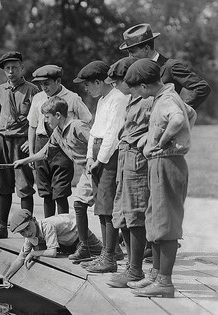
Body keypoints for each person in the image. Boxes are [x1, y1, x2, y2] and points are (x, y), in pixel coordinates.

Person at [123, 59, 196, 298]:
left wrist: (163, 141)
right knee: (155, 219)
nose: (133, 93)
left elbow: (177, 119)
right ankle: (155, 275)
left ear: (144, 86)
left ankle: (165, 282)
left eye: (134, 89)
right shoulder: (164, 97)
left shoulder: (166, 99)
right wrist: (150, 139)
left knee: (166, 224)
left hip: (168, 163)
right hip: (160, 163)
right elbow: (190, 114)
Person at [16, 95, 102, 263]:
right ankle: (85, 246)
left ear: (57, 115)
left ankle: (111, 249)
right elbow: (45, 152)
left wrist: (96, 162)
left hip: (99, 169)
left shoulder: (77, 126)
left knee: (106, 210)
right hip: (87, 172)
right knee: (79, 204)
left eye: (47, 117)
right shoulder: (57, 132)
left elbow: (95, 142)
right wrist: (24, 161)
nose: (46, 121)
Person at [73, 61, 129, 273]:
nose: (86, 89)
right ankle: (108, 253)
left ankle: (109, 257)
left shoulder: (118, 99)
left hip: (108, 157)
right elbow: (94, 132)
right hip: (97, 156)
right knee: (100, 207)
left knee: (107, 207)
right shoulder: (103, 99)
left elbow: (113, 134)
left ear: (98, 81)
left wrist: (100, 160)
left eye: (88, 85)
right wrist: (89, 158)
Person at [102, 56, 153, 288]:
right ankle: (131, 268)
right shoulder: (132, 99)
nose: (114, 87)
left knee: (135, 217)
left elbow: (177, 119)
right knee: (121, 214)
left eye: (117, 83)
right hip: (125, 159)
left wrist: (144, 141)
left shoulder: (147, 101)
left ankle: (135, 271)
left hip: (137, 161)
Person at [0, 51, 39, 239]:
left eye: (14, 67)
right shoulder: (0, 90)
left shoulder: (32, 90)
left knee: (24, 188)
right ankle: (1, 227)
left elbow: (38, 121)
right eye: (7, 68)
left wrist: (30, 144)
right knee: (3, 185)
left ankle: (29, 231)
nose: (11, 71)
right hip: (2, 142)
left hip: (21, 143)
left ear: (22, 68)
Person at [28, 65, 92, 218]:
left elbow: (86, 120)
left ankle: (64, 229)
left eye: (47, 83)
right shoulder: (38, 98)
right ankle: (49, 228)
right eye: (41, 84)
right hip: (42, 143)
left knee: (60, 191)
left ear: (58, 81)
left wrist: (73, 139)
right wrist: (31, 152)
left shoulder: (72, 97)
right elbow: (32, 125)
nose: (44, 87)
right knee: (45, 191)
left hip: (63, 147)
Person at [119, 23, 210, 110]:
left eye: (132, 52)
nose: (129, 57)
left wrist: (182, 111)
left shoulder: (170, 67)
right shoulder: (136, 70)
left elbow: (202, 87)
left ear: (146, 49)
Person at [4, 208, 103, 280]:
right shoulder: (29, 236)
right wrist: (6, 277)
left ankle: (116, 239)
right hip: (67, 243)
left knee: (103, 250)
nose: (27, 233)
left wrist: (33, 253)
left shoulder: (47, 226)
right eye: (22, 232)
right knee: (38, 248)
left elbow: (52, 253)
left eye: (28, 228)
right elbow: (20, 258)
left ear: (34, 220)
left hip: (80, 235)